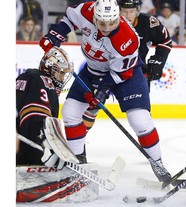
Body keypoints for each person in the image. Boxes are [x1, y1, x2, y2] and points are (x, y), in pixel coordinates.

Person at [39, 0, 172, 183]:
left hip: (127, 74)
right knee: (70, 112)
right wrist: (56, 34)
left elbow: (121, 72)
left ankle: (158, 164)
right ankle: (79, 164)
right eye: (102, 23)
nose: (107, 28)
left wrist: (101, 91)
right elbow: (70, 19)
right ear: (94, 17)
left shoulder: (127, 39)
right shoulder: (87, 10)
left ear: (117, 18)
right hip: (93, 70)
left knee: (139, 120)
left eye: (112, 23)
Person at [82, 0, 172, 132]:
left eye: (131, 11)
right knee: (93, 106)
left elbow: (165, 41)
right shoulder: (105, 23)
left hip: (134, 72)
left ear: (137, 11)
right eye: (124, 11)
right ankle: (79, 138)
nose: (128, 15)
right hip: (105, 70)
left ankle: (148, 143)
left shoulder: (148, 23)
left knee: (141, 113)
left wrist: (158, 61)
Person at [16, 47, 73, 167]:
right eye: (61, 73)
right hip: (26, 150)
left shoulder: (30, 77)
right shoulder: (41, 80)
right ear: (49, 67)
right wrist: (44, 145)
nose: (62, 78)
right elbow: (35, 117)